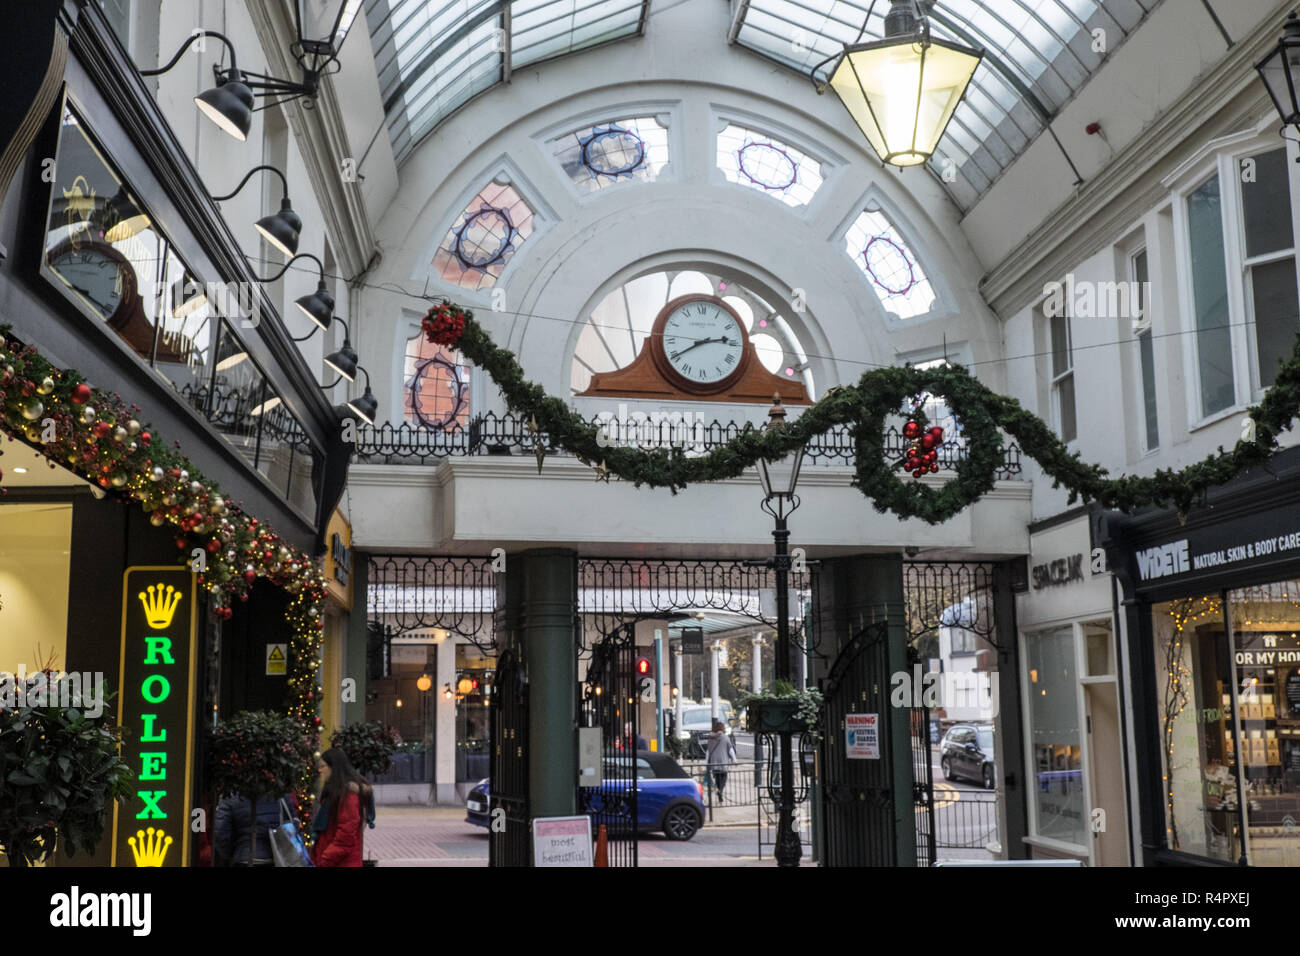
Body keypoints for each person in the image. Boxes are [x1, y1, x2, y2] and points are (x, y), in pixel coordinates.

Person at [312, 748, 373, 867]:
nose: (320, 770)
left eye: (323, 766)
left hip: (340, 862)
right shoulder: (335, 792)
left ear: (333, 768)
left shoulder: (348, 795)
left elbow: (346, 835)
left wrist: (325, 859)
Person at [213, 792, 296, 866]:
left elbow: (220, 832)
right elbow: (293, 824)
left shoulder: (230, 795)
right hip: (277, 858)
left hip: (243, 856)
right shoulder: (279, 792)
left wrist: (232, 854)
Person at [705, 720, 736, 802]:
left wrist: (706, 762)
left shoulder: (710, 738)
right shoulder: (725, 738)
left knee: (717, 778)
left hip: (714, 762)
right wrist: (734, 760)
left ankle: (719, 791)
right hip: (723, 762)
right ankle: (720, 791)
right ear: (723, 728)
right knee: (724, 777)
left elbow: (708, 751)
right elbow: (730, 750)